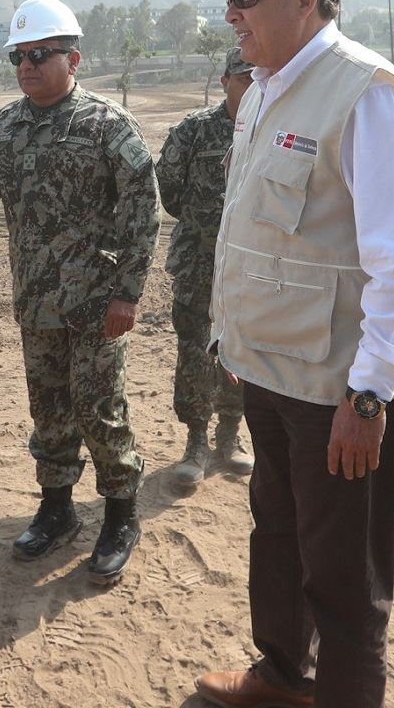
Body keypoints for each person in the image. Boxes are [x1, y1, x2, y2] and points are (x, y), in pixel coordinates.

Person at [195, 0, 394, 708]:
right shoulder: (264, 91)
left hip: (339, 391)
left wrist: (368, 395)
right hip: (269, 372)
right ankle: (280, 676)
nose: (231, 14)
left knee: (344, 579)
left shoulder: (368, 95)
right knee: (277, 538)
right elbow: (260, 235)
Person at [0, 0, 160, 585]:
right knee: (48, 409)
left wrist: (129, 291)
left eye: (40, 54)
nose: (27, 66)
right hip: (36, 301)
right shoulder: (3, 128)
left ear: (74, 59)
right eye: (18, 56)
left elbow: (142, 211)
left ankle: (120, 514)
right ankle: (57, 509)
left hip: (99, 305)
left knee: (99, 408)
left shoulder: (107, 126)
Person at [155, 46, 256, 488]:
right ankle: (195, 442)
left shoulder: (275, 130)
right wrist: (206, 226)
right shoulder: (192, 133)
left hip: (254, 269)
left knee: (242, 352)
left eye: (260, 79)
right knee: (195, 353)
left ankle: (229, 437)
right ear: (226, 83)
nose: (253, 87)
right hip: (200, 262)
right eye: (244, 79)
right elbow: (169, 192)